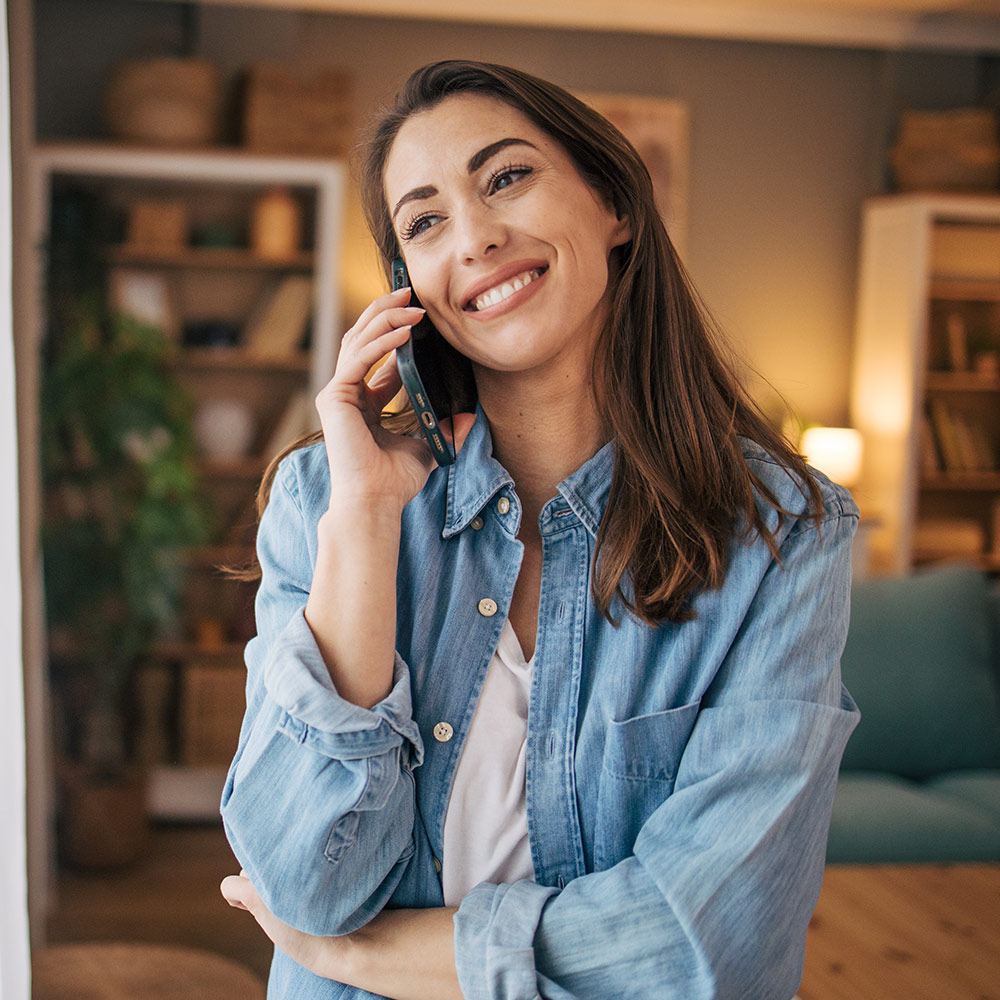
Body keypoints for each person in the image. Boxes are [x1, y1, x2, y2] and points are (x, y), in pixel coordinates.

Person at [219, 59, 860, 1000]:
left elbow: (709, 946)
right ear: (409, 287)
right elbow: (308, 883)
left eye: (506, 177)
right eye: (425, 221)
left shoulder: (783, 534)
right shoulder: (327, 499)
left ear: (615, 207)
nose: (473, 237)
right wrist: (362, 519)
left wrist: (360, 959)